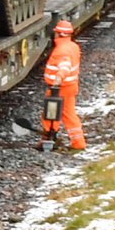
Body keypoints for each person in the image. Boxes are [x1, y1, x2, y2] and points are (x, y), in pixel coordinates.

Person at [41, 17, 85, 151]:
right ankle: (76, 141)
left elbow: (64, 66)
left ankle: (49, 138)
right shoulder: (73, 46)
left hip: (60, 88)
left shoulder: (62, 50)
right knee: (67, 113)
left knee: (52, 112)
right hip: (70, 86)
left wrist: (58, 80)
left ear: (58, 33)